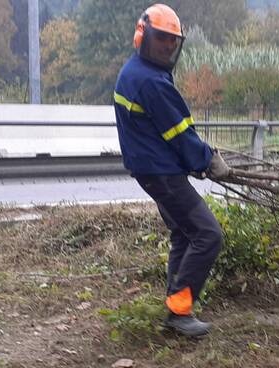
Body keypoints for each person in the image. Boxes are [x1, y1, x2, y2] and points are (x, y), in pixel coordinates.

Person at [113, 3, 230, 337]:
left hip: (154, 169)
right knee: (209, 235)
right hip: (160, 173)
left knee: (184, 233)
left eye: (172, 41)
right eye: (161, 39)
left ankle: (175, 307)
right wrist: (208, 160)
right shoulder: (150, 82)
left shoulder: (138, 72)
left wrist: (193, 161)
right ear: (143, 36)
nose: (167, 46)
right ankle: (179, 313)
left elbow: (160, 132)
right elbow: (179, 135)